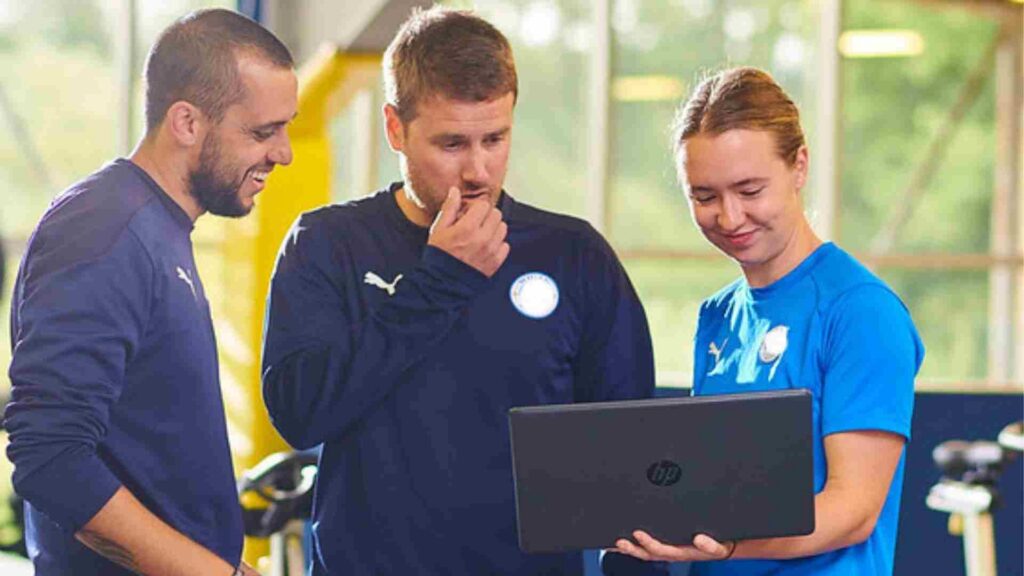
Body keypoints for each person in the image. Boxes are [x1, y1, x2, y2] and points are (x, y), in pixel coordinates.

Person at [261, 6, 660, 575]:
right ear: (395, 128)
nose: (478, 170)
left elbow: (637, 453)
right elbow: (299, 414)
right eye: (451, 145)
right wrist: (440, 281)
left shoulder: (574, 255)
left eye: (494, 139)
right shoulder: (327, 244)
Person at [4, 9, 296, 575]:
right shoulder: (103, 228)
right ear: (186, 122)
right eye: (262, 132)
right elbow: (51, 459)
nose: (282, 153)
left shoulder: (158, 229)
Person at [609, 66, 924, 574]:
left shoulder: (862, 312)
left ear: (799, 166)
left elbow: (853, 512)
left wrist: (731, 546)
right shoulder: (718, 315)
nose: (729, 218)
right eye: (704, 196)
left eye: (750, 190)